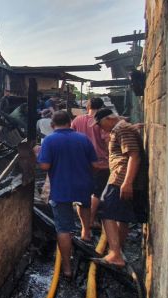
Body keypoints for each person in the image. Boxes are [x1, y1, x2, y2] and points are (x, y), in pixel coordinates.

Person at [37, 111, 100, 277]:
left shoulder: (49, 141)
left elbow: (44, 166)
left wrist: (37, 154)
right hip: (83, 185)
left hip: (61, 189)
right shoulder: (83, 139)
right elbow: (95, 164)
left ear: (52, 125)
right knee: (84, 204)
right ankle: (86, 233)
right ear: (70, 122)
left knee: (64, 229)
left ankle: (67, 267)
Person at [91, 108, 147, 268]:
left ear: (109, 119)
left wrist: (127, 182)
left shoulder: (121, 129)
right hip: (121, 177)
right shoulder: (124, 129)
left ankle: (115, 253)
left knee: (105, 211)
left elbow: (133, 156)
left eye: (100, 124)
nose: (101, 129)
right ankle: (118, 251)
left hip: (120, 178)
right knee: (122, 217)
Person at [71, 97, 110, 236]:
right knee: (97, 193)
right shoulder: (102, 121)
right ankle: (92, 220)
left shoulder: (77, 120)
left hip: (82, 163)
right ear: (101, 107)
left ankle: (84, 228)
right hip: (101, 163)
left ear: (88, 107)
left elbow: (72, 138)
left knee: (84, 194)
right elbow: (107, 141)